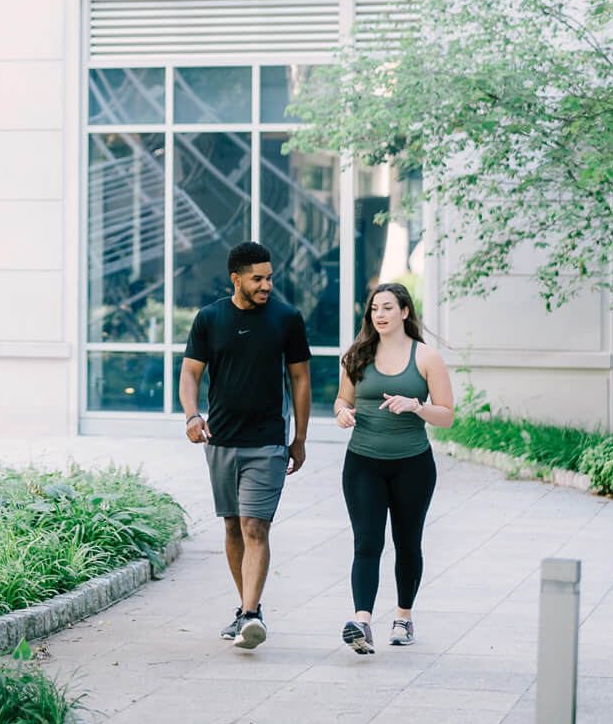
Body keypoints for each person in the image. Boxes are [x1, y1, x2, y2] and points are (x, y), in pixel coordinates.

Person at [181, 240, 312, 650]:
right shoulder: (209, 319)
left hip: (268, 441)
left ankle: (252, 614)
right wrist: (191, 414)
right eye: (258, 278)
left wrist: (300, 438)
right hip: (220, 440)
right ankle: (245, 610)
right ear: (235, 279)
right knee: (233, 526)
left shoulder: (287, 319)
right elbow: (190, 374)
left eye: (269, 277)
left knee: (256, 525)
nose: (266, 285)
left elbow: (301, 380)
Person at [333, 281, 455, 654]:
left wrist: (417, 406)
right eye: (374, 309)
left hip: (412, 466)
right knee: (367, 542)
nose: (379, 315)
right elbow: (342, 398)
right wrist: (342, 413)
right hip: (362, 464)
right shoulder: (357, 355)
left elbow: (447, 416)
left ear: (404, 312)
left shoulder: (426, 358)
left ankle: (403, 616)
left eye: (387, 307)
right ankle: (363, 622)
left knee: (406, 542)